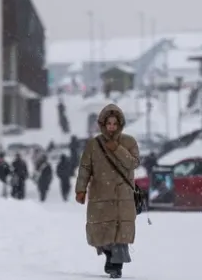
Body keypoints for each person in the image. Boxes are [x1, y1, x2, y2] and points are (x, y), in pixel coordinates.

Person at [75, 104, 140, 279]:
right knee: (102, 233)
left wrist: (117, 149)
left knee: (120, 235)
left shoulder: (129, 142)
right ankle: (109, 256)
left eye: (115, 123)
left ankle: (115, 266)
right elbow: (85, 169)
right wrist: (80, 190)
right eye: (108, 123)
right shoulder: (93, 145)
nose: (111, 126)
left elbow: (134, 163)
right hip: (100, 197)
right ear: (103, 124)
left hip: (122, 197)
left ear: (120, 124)